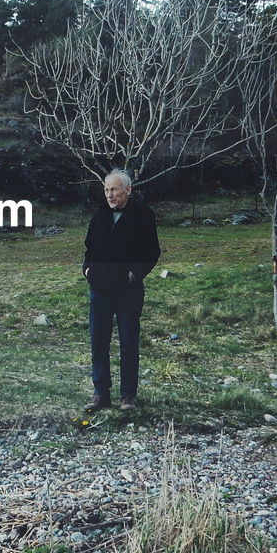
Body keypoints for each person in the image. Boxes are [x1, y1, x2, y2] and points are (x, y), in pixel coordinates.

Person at [82, 170, 161, 411]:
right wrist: (87, 270)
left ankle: (128, 396)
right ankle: (100, 394)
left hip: (128, 291)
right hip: (100, 290)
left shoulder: (143, 216)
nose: (109, 194)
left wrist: (134, 274)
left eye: (114, 189)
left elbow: (152, 252)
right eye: (106, 190)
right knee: (99, 342)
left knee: (128, 343)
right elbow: (89, 249)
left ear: (127, 190)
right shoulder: (99, 217)